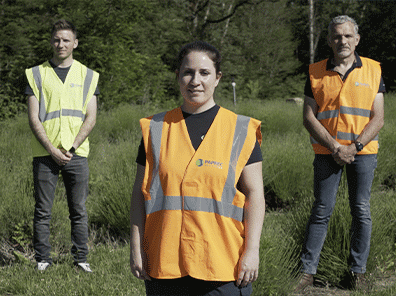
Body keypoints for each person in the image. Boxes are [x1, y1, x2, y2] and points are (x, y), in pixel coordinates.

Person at [130, 41, 265, 296]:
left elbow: (255, 195)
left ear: (218, 78)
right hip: (165, 262)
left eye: (204, 73)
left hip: (223, 263)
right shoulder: (155, 129)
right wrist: (136, 247)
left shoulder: (241, 130)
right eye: (188, 72)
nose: (195, 80)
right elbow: (139, 193)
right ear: (178, 77)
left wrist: (252, 250)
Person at [296, 15, 385, 291]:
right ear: (329, 40)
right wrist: (336, 147)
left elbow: (378, 118)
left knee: (361, 210)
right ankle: (307, 272)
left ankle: (357, 272)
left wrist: (354, 147)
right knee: (321, 210)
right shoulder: (315, 71)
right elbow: (309, 117)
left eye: (348, 36)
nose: (342, 41)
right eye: (337, 36)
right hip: (327, 152)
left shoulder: (373, 70)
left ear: (357, 39)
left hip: (364, 152)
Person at [25, 20, 99, 272]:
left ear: (75, 43)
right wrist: (52, 149)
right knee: (42, 210)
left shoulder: (88, 75)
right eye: (57, 39)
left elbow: (91, 116)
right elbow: (33, 117)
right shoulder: (36, 74)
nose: (61, 44)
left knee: (78, 210)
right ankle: (42, 260)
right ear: (51, 42)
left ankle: (81, 260)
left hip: (76, 154)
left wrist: (73, 146)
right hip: (45, 153)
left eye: (66, 40)